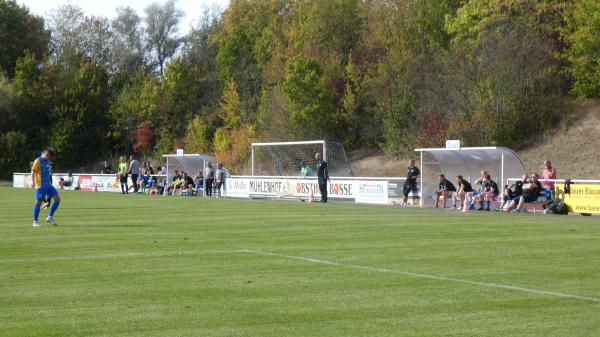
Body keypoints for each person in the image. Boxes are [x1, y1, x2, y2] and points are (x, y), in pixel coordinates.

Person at [31, 149, 60, 227]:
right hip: (40, 185)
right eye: (49, 156)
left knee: (57, 199)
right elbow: (33, 172)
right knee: (38, 202)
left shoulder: (48, 161)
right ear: (46, 154)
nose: (50, 158)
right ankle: (35, 222)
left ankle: (49, 217)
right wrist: (32, 181)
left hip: (48, 185)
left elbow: (48, 172)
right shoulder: (37, 161)